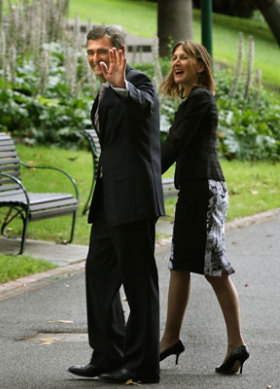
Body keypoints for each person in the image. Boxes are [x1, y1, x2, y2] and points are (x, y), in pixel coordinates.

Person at [68, 25, 165, 384]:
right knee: (99, 274)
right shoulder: (104, 89)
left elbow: (144, 108)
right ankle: (108, 355)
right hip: (109, 202)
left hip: (134, 201)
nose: (95, 58)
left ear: (119, 52)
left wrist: (123, 84)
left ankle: (142, 366)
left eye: (102, 52)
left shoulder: (136, 83)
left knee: (139, 284)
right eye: (90, 52)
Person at [158, 40, 249, 375]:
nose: (177, 61)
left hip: (204, 191)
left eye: (185, 57)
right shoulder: (194, 100)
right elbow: (174, 144)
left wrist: (147, 175)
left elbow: (174, 145)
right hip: (197, 190)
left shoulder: (199, 99)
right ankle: (171, 338)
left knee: (212, 267)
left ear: (200, 64)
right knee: (181, 263)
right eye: (174, 57)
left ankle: (232, 343)